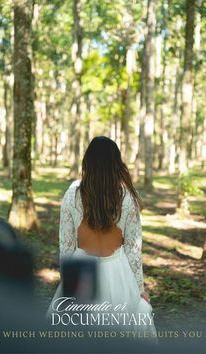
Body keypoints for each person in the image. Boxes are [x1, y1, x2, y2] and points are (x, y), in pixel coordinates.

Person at [47, 136, 157, 341]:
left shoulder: (72, 193)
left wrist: (67, 282)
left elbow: (66, 245)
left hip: (81, 272)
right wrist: (140, 289)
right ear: (116, 163)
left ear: (87, 161)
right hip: (119, 273)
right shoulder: (127, 198)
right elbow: (134, 249)